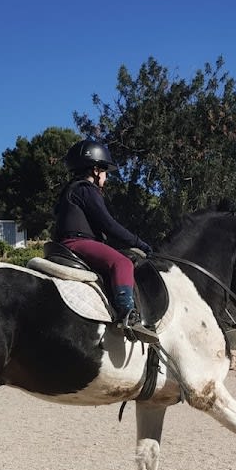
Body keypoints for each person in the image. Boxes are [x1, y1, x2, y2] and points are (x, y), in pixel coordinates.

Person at [53, 139, 159, 344]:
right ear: (95, 170)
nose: (106, 178)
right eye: (105, 172)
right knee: (122, 263)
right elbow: (108, 225)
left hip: (65, 243)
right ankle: (127, 315)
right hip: (78, 242)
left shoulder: (69, 190)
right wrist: (140, 243)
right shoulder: (86, 189)